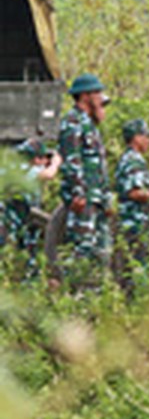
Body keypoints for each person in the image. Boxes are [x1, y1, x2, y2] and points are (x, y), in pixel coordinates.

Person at [57, 73, 112, 278]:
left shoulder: (90, 125)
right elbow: (72, 159)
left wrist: (106, 198)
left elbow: (99, 165)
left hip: (97, 197)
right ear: (85, 96)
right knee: (82, 249)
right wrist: (78, 192)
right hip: (84, 198)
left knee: (102, 251)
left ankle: (98, 296)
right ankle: (78, 296)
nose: (101, 97)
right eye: (97, 92)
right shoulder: (72, 122)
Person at [5, 138, 61, 274]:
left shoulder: (13, 168)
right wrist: (55, 163)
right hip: (15, 220)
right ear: (36, 159)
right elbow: (48, 174)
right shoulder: (25, 170)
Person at [115, 118, 149, 259]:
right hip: (136, 221)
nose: (148, 140)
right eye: (146, 136)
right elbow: (134, 192)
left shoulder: (126, 157)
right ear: (136, 138)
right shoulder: (134, 160)